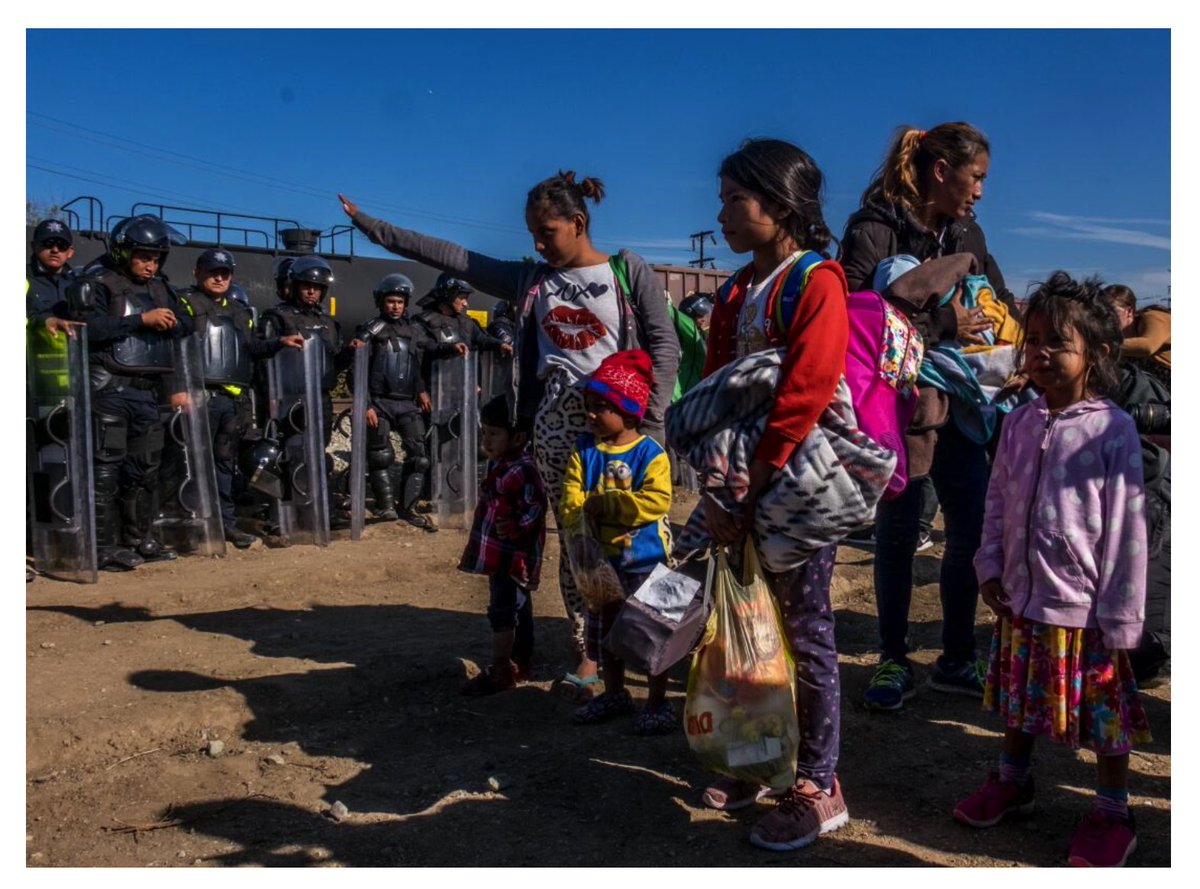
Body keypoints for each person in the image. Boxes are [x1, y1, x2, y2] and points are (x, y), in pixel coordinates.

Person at [337, 175, 678, 695]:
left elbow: (663, 346)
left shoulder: (626, 272)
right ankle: (588, 653)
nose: (538, 244)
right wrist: (372, 227)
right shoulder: (531, 280)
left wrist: (649, 430)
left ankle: (652, 642)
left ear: (578, 223)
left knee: (640, 536)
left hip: (625, 431)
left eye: (548, 232)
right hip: (558, 428)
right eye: (532, 234)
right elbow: (451, 257)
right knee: (578, 542)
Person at [953, 272, 1149, 868]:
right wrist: (989, 562)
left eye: (1055, 343)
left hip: (1088, 610)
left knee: (1105, 715)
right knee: (1019, 701)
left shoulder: (1112, 429)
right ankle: (1014, 781)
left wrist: (1121, 617)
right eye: (1031, 339)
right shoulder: (1018, 421)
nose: (1037, 352)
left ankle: (1114, 812)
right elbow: (996, 499)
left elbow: (1127, 532)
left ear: (1097, 354)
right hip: (1022, 599)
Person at [697, 139, 849, 851]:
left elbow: (809, 387)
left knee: (805, 629)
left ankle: (819, 783)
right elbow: (718, 384)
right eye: (722, 197)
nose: (722, 212)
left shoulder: (815, 282)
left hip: (795, 488)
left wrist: (758, 471)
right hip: (741, 483)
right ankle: (757, 753)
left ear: (781, 205)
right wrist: (722, 481)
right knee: (749, 622)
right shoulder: (734, 291)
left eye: (734, 199)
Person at [840, 122, 1015, 710]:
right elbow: (858, 322)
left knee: (968, 529)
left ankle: (957, 657)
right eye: (977, 177)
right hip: (899, 407)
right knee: (898, 532)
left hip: (962, 406)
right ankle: (892, 660)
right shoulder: (873, 230)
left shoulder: (969, 232)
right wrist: (943, 326)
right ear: (942, 172)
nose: (981, 191)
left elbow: (999, 299)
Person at [66, 214, 195, 569]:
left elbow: (186, 324)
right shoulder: (97, 281)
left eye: (156, 258)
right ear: (123, 253)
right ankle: (103, 547)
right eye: (143, 257)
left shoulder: (160, 286)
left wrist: (170, 321)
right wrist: (140, 320)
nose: (150, 265)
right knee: (106, 471)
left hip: (147, 391)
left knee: (144, 471)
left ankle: (139, 538)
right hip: (109, 388)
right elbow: (85, 328)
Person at [559, 350, 675, 734]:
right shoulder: (583, 451)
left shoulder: (650, 454)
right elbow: (570, 494)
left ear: (627, 411)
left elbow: (657, 501)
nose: (590, 415)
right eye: (588, 406)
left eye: (599, 407)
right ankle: (614, 693)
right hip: (601, 564)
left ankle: (658, 702)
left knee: (650, 635)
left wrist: (609, 504)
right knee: (608, 632)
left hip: (646, 561)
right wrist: (579, 514)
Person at [181, 248, 304, 548]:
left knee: (225, 464)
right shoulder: (184, 303)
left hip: (231, 401)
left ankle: (225, 524)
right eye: (213, 272)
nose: (219, 278)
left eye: (225, 273)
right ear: (198, 273)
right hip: (199, 397)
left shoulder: (240, 311)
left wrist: (278, 343)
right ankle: (189, 524)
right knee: (189, 463)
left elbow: (250, 349)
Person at [348, 272, 464, 531]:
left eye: (400, 302)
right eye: (391, 301)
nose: (396, 306)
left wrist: (451, 348)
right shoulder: (370, 330)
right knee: (380, 455)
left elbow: (423, 358)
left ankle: (408, 508)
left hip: (407, 403)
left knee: (419, 457)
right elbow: (356, 371)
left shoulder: (413, 331)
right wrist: (365, 403)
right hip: (379, 402)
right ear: (381, 302)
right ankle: (386, 507)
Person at [457, 395, 548, 695]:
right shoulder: (502, 464)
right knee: (517, 607)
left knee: (504, 609)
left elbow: (535, 508)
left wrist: (514, 527)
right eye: (484, 433)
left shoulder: (522, 468)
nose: (487, 440)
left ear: (519, 437)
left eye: (494, 433)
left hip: (513, 556)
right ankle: (519, 661)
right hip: (501, 554)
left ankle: (502, 668)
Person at [258, 255, 353, 529]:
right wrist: (278, 342)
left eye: (317, 287)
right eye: (306, 286)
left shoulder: (328, 323)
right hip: (289, 396)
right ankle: (283, 514)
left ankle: (319, 511)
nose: (312, 291)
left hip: (319, 398)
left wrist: (352, 351)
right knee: (288, 454)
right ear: (295, 286)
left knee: (316, 454)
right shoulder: (276, 317)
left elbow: (335, 362)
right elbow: (256, 350)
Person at [1102, 284, 1170, 389]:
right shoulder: (1116, 337)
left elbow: (1147, 347)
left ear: (1129, 312)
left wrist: (1100, 346)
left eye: (1111, 312)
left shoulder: (1153, 318)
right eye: (1101, 313)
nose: (1105, 318)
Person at [27, 219, 83, 337]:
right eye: (48, 243)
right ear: (34, 246)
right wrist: (45, 321)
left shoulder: (79, 282)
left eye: (62, 245)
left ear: (70, 252)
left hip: (74, 354)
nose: (55, 250)